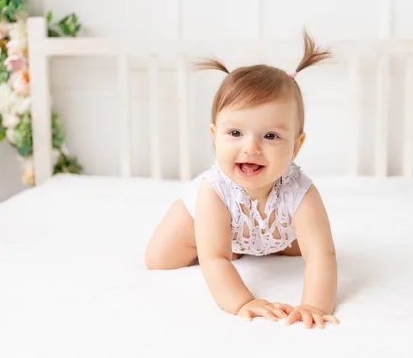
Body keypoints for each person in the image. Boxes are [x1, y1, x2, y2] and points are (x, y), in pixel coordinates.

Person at [145, 30, 339, 329]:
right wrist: (243, 302)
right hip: (205, 218)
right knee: (159, 259)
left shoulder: (301, 192)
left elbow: (322, 256)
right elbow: (215, 260)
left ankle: (252, 241)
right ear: (215, 136)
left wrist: (314, 304)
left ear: (296, 147)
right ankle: (228, 239)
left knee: (309, 241)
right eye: (235, 133)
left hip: (263, 222)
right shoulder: (214, 190)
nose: (250, 147)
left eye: (271, 136)